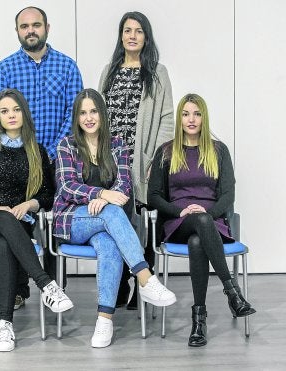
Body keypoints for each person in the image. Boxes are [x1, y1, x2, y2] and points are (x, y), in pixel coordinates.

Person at [53, 89, 176, 348]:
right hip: (73, 220)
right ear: (77, 117)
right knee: (111, 212)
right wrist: (100, 194)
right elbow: (67, 187)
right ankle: (145, 278)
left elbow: (124, 185)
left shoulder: (117, 143)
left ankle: (104, 320)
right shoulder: (67, 145)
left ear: (102, 113)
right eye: (83, 113)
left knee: (109, 245)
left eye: (94, 111)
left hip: (103, 224)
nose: (89, 118)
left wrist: (106, 198)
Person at [0, 89, 73, 352]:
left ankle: (4, 325)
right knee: (3, 220)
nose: (11, 115)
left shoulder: (36, 150)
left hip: (14, 226)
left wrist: (28, 204)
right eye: (5, 111)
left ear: (24, 113)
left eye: (16, 110)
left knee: (3, 245)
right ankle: (46, 284)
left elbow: (46, 193)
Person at [0, 5, 83, 306]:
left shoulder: (67, 67)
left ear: (47, 28)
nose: (31, 30)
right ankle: (18, 289)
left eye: (36, 25)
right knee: (16, 221)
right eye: (24, 26)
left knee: (55, 224)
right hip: (15, 163)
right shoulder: (4, 69)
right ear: (17, 31)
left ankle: (54, 286)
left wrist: (51, 153)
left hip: (57, 162)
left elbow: (75, 114)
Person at [147, 93, 255, 347]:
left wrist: (210, 214)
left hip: (212, 222)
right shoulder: (166, 152)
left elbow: (228, 194)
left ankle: (199, 320)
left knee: (199, 240)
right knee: (199, 223)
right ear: (179, 118)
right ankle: (233, 293)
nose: (191, 119)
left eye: (196, 114)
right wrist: (179, 212)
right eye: (186, 114)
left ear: (204, 117)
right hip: (178, 223)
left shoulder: (218, 150)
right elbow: (153, 196)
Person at [99, 11, 174, 308]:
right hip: (110, 161)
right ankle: (120, 284)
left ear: (146, 37)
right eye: (127, 30)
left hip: (141, 159)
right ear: (121, 36)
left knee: (145, 222)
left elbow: (167, 118)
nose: (132, 35)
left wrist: (156, 157)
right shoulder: (109, 70)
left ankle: (145, 282)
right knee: (117, 219)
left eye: (138, 31)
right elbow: (98, 115)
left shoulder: (157, 72)